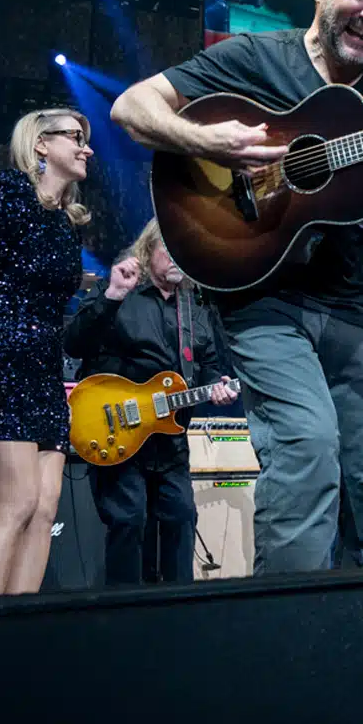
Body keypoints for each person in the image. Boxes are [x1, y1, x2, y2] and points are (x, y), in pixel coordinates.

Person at [110, 0, 363, 574]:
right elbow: (130, 107)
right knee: (307, 450)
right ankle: (289, 642)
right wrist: (205, 142)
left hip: (344, 310)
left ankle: (358, 634)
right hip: (259, 300)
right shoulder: (255, 57)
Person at [63, 219, 239, 587]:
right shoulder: (121, 290)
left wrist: (216, 387)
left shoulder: (195, 309)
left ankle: (178, 616)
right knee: (128, 521)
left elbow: (205, 368)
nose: (178, 259)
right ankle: (124, 617)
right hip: (118, 433)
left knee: (181, 518)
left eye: (183, 252)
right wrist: (111, 296)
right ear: (148, 249)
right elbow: (74, 343)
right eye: (169, 249)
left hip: (169, 441)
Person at [0, 108, 94, 597]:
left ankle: (18, 629)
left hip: (43, 369)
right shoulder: (8, 193)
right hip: (0, 363)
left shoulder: (65, 220)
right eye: (75, 137)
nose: (87, 147)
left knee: (43, 508)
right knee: (14, 501)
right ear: (40, 144)